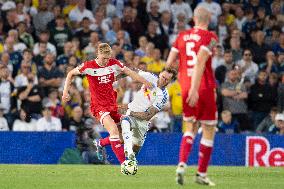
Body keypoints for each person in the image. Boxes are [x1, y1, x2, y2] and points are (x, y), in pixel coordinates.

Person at [62, 43, 152, 165]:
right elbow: (70, 73)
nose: (106, 61)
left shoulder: (113, 63)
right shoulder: (89, 66)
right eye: (103, 58)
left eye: (108, 58)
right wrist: (65, 92)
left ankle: (101, 143)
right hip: (98, 106)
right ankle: (124, 164)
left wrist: (147, 83)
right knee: (114, 131)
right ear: (98, 54)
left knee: (127, 134)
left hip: (112, 105)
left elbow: (130, 72)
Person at [166, 7, 218, 186]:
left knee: (190, 127)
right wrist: (196, 88)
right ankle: (201, 174)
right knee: (209, 128)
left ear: (194, 18)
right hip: (202, 88)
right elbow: (200, 62)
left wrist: (169, 74)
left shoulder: (181, 36)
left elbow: (170, 60)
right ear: (208, 19)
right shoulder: (211, 37)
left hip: (185, 87)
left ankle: (181, 164)